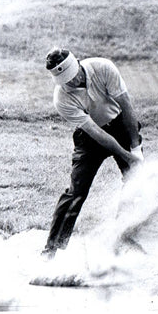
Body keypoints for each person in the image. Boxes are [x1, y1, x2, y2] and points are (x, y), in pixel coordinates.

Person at [40, 48, 143, 259]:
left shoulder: (103, 67)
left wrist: (135, 148)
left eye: (73, 76)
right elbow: (97, 133)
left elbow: (126, 105)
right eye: (65, 80)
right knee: (76, 190)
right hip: (90, 138)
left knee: (135, 181)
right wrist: (127, 156)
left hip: (121, 124)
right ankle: (51, 250)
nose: (71, 82)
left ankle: (123, 237)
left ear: (78, 63)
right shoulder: (62, 99)